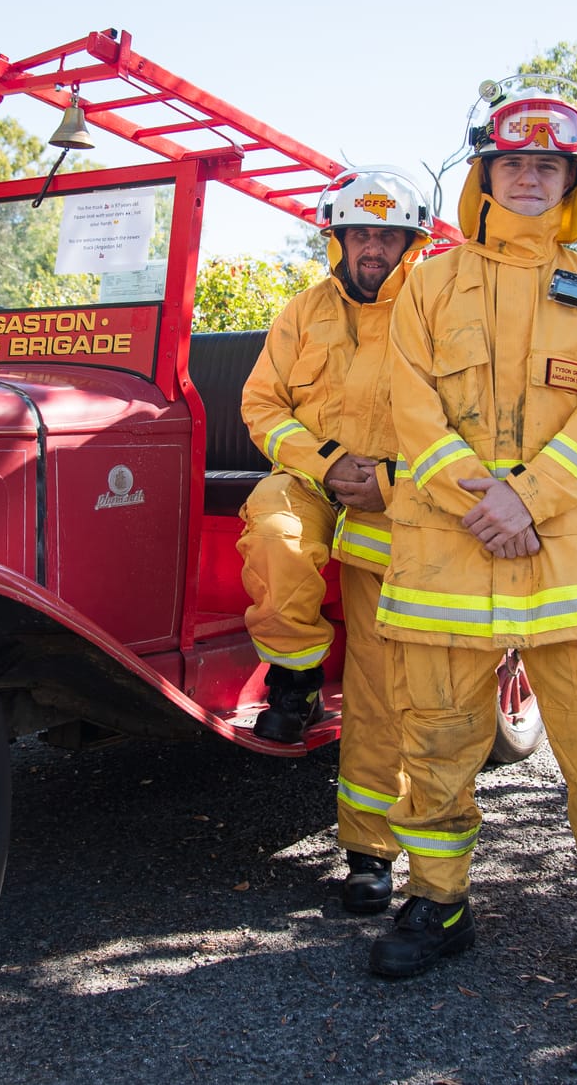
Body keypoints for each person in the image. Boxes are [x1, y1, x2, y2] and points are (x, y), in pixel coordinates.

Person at [371, 81, 577, 1018]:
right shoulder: (425, 283)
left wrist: (528, 498)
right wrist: (481, 497)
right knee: (434, 740)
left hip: (567, 552)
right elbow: (410, 401)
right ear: (485, 174)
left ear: (571, 183)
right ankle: (436, 904)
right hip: (448, 544)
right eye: (513, 163)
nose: (528, 179)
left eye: (547, 165)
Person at [239, 166, 434, 915]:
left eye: (387, 233)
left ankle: (369, 853)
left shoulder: (432, 311)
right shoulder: (302, 311)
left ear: (409, 241)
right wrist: (323, 462)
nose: (372, 246)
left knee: (383, 688)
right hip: (312, 476)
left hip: (395, 498)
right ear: (339, 239)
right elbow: (262, 403)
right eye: (360, 232)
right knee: (276, 534)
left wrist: (391, 478)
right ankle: (294, 682)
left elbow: (463, 421)